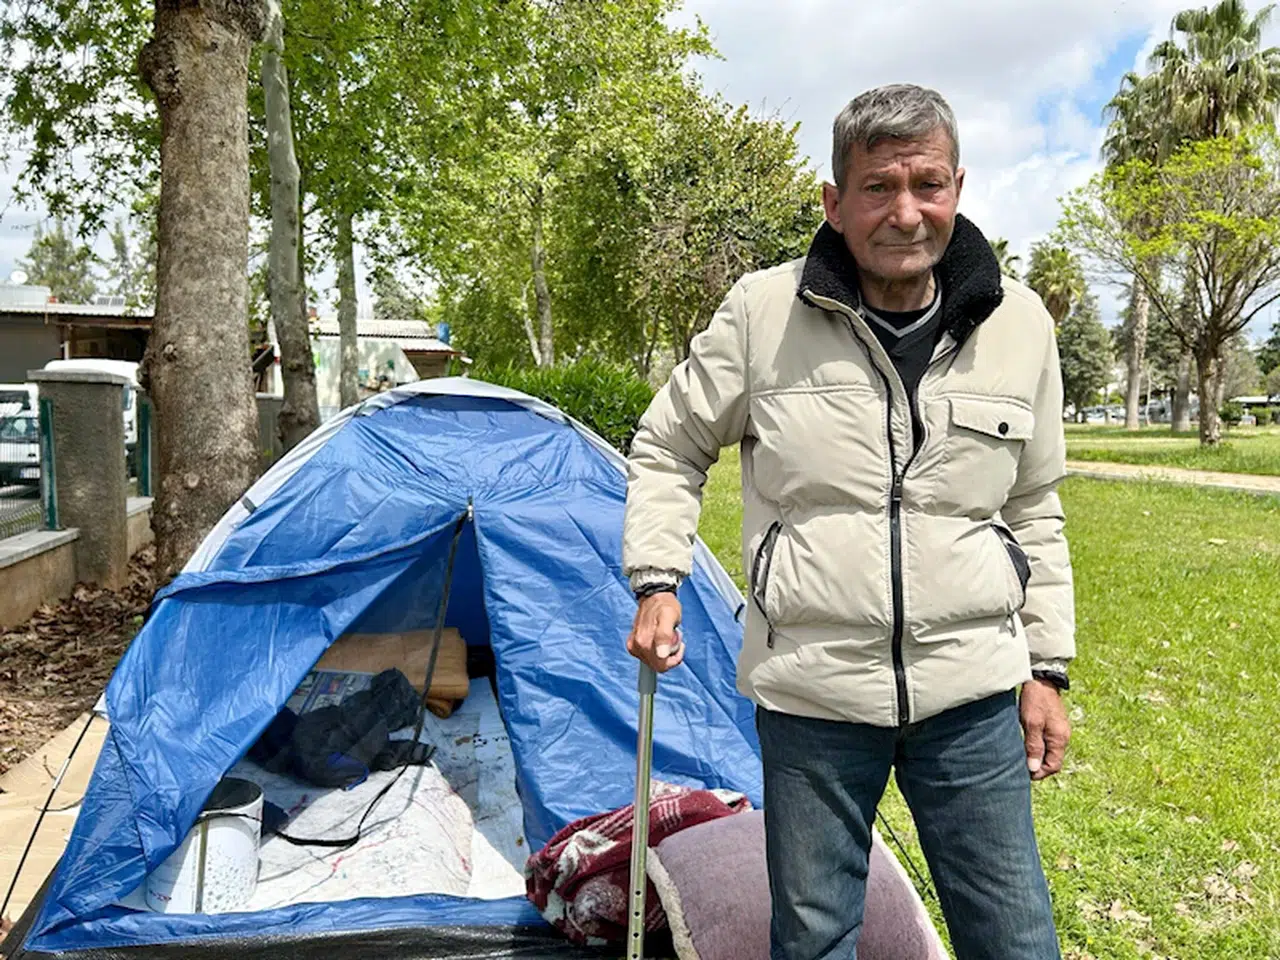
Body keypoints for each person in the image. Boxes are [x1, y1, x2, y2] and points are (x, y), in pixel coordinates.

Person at [621, 83, 1074, 960]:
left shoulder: (1021, 325)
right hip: (812, 695)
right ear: (834, 203)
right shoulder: (761, 314)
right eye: (878, 187)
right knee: (815, 941)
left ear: (957, 188)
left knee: (1015, 940)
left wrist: (1047, 668)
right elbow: (669, 445)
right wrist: (657, 579)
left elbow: (1034, 505)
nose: (905, 213)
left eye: (927, 184)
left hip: (972, 695)